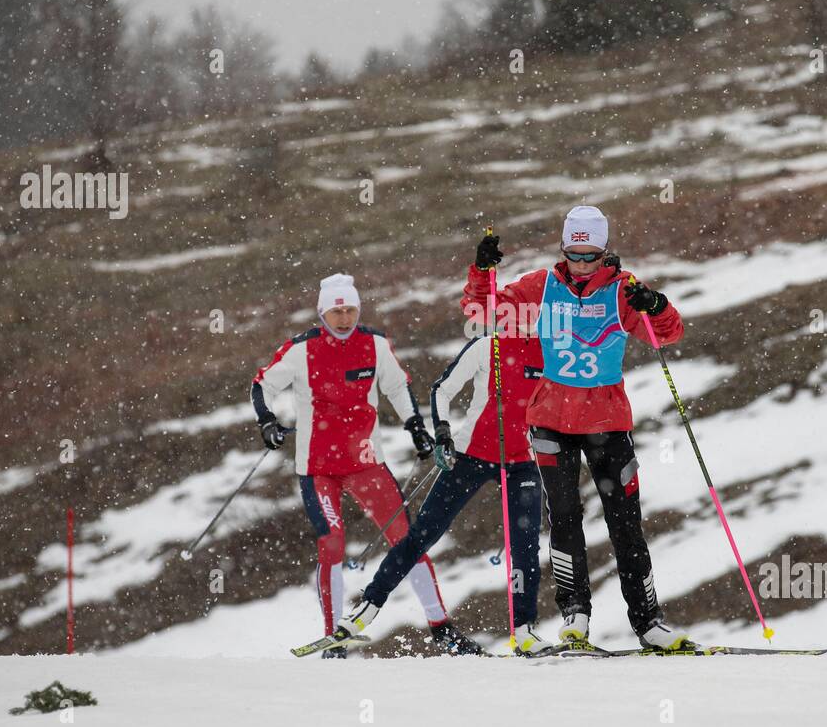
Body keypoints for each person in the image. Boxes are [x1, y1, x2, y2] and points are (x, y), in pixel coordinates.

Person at [461, 206, 693, 651]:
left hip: (607, 423)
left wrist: (657, 305)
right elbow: (481, 313)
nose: (582, 264)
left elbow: (668, 334)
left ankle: (648, 622)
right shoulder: (540, 286)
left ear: (604, 252)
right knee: (565, 519)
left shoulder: (625, 291)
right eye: (574, 254)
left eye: (590, 255)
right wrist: (482, 271)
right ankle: (575, 616)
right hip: (551, 421)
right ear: (563, 250)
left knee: (625, 524)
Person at [251, 273, 473, 657]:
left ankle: (442, 627)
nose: (344, 317)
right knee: (332, 544)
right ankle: (333, 641)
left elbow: (396, 387)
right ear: (323, 313)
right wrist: (267, 421)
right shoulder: (301, 350)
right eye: (336, 310)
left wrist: (415, 427)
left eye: (350, 308)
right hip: (318, 468)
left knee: (408, 541)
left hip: (367, 462)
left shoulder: (374, 344)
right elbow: (262, 385)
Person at [335, 318, 553, 656]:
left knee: (525, 545)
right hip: (470, 455)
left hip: (520, 460)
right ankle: (367, 607)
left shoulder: (553, 352)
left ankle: (523, 631)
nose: (530, 325)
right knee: (423, 533)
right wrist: (444, 433)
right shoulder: (488, 346)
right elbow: (443, 388)